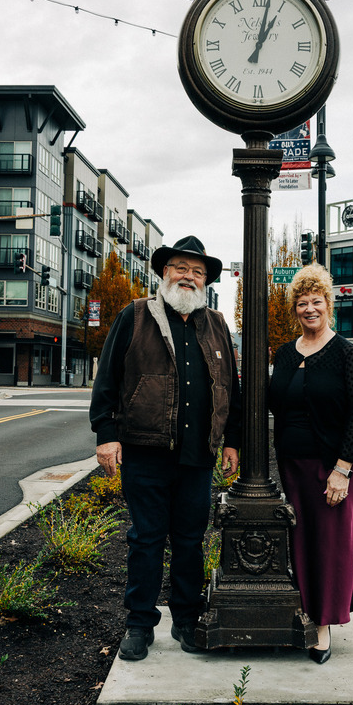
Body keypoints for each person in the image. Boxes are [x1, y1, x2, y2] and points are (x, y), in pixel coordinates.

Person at [90, 236, 240, 660]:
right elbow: (108, 382)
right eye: (180, 268)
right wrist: (106, 434)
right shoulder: (135, 316)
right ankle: (139, 624)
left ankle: (187, 620)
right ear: (164, 272)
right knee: (145, 540)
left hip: (197, 457)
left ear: (206, 280)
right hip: (145, 451)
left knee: (191, 542)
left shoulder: (216, 323)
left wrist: (233, 442)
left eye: (197, 272)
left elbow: (231, 386)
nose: (188, 277)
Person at [268, 263, 353, 664]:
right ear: (295, 309)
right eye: (301, 303)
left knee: (329, 546)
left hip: (332, 468)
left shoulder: (346, 355)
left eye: (316, 302)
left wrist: (342, 469)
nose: (309, 309)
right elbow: (271, 403)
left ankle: (322, 625)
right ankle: (305, 612)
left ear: (328, 305)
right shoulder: (284, 353)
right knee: (300, 543)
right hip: (292, 466)